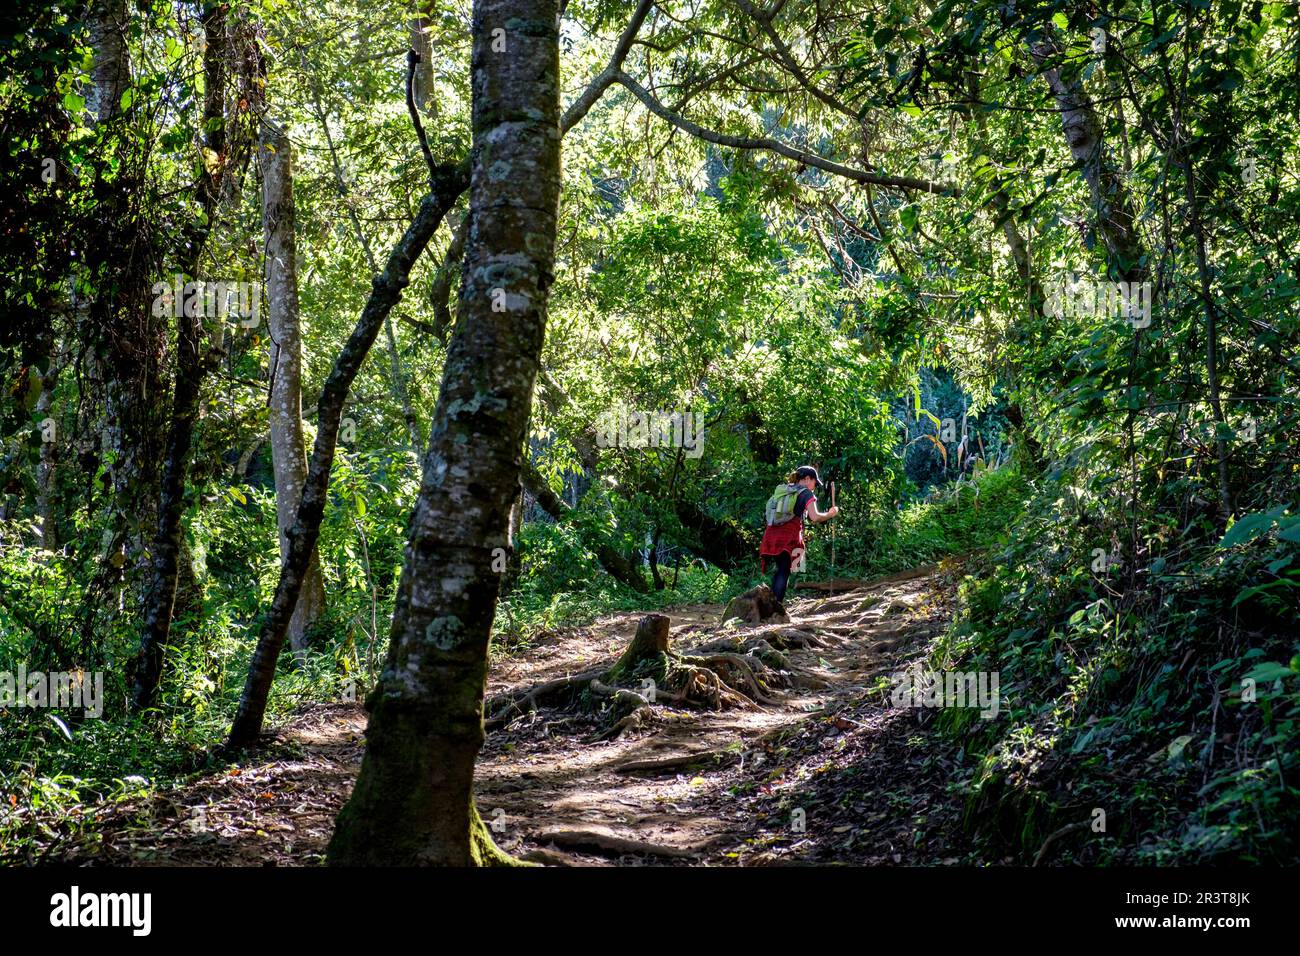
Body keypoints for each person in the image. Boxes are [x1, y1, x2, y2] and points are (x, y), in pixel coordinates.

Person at [760, 465, 838, 603]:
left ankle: (772, 604)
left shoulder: (785, 490)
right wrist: (831, 514)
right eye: (814, 482)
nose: (814, 486)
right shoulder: (806, 493)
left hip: (771, 535)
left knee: (780, 569)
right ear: (807, 479)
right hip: (788, 537)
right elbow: (815, 517)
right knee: (784, 570)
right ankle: (775, 607)